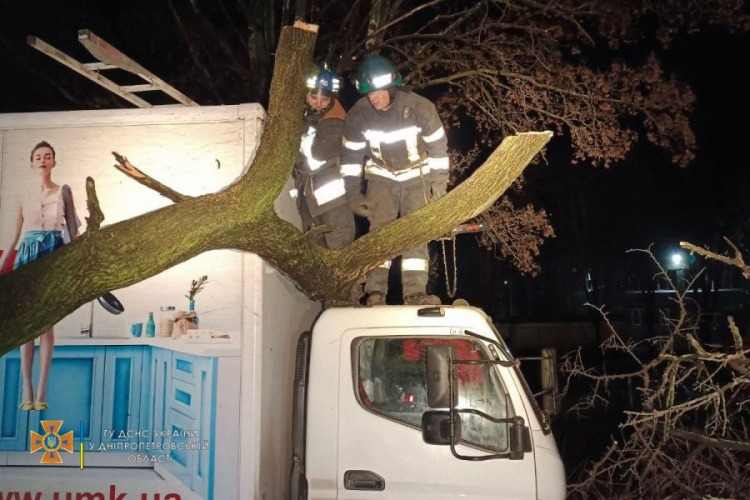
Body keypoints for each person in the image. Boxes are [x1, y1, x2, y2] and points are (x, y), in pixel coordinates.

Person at [341, 55, 450, 306]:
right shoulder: (358, 115)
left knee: (415, 233)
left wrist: (438, 192)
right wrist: (354, 195)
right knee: (380, 233)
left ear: (391, 87)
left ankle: (414, 293)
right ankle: (375, 292)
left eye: (377, 93)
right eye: (369, 94)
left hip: (417, 175)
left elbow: (438, 151)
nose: (373, 98)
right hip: (381, 176)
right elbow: (350, 158)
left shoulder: (421, 108)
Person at [0, 141, 80, 411]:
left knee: (46, 326)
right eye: (38, 157)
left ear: (54, 162)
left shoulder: (64, 191)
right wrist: (2, 268)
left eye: (48, 156)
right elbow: (15, 236)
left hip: (54, 254)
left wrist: (74, 265)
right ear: (32, 163)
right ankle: (27, 389)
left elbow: (73, 232)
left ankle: (42, 392)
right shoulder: (22, 194)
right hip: (28, 255)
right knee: (27, 326)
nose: (43, 160)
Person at [292, 63, 355, 251]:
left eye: (324, 100)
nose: (318, 104)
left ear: (331, 99)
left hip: (331, 193)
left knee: (338, 241)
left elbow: (318, 153)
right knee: (314, 246)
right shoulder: (307, 115)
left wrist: (302, 131)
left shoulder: (335, 120)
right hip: (308, 191)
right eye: (313, 97)